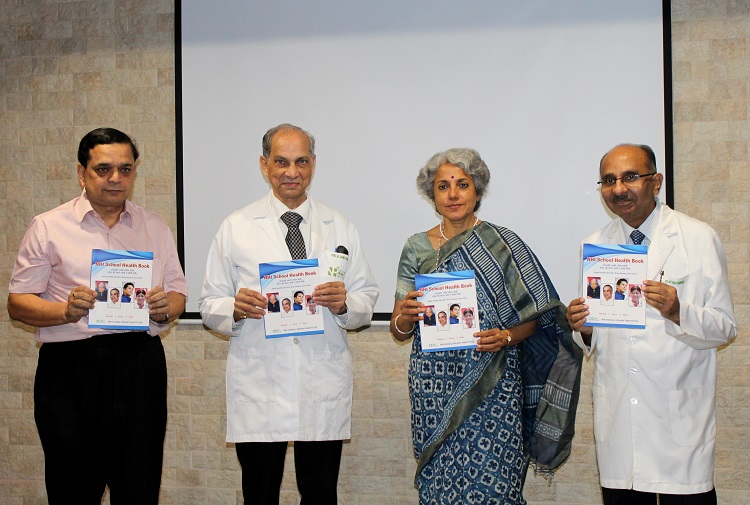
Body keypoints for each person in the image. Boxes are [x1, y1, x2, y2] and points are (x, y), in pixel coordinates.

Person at [199, 123, 379, 505]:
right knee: (259, 494)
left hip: (320, 379)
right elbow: (210, 302)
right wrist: (234, 310)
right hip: (261, 382)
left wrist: (344, 304)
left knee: (320, 494)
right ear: (264, 164)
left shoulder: (339, 225)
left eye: (301, 162)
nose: (291, 172)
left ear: (313, 164)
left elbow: (366, 297)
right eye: (281, 162)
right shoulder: (236, 226)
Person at [391, 148, 582, 504]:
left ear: (477, 190)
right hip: (433, 387)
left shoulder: (504, 244)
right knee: (441, 486)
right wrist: (406, 315)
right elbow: (398, 329)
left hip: (494, 384)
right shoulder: (416, 247)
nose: (453, 194)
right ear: (432, 194)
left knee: (496, 485)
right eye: (443, 186)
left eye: (462, 184)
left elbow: (534, 317)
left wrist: (505, 336)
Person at [7, 127, 187, 504]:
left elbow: (178, 294)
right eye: (103, 169)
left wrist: (164, 307)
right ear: (82, 173)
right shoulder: (48, 226)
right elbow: (18, 302)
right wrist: (64, 310)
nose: (115, 178)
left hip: (139, 366)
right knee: (72, 485)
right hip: (70, 369)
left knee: (139, 485)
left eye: (125, 169)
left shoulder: (154, 226)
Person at [566, 144, 737, 505]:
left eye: (630, 177)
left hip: (678, 420)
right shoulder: (594, 245)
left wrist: (678, 311)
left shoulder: (697, 238)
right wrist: (584, 328)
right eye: (608, 180)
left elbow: (725, 327)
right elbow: (596, 335)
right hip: (621, 420)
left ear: (656, 182)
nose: (618, 188)